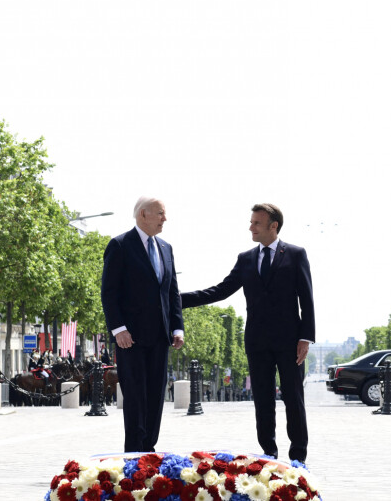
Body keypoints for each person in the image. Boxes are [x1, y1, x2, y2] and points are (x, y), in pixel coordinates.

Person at [181, 203, 315, 462]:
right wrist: (178, 299)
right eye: (251, 221)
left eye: (256, 222)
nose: (250, 227)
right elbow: (220, 290)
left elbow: (307, 299)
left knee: (293, 400)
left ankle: (298, 458)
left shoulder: (297, 254)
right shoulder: (246, 259)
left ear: (273, 226)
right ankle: (268, 455)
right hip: (257, 342)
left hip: (290, 342)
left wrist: (305, 338)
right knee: (263, 402)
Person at [101, 196, 184, 452]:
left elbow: (172, 292)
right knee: (136, 398)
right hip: (131, 339)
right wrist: (118, 329)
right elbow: (109, 291)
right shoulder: (120, 245)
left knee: (156, 399)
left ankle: (149, 450)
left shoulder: (166, 248)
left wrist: (177, 328)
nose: (164, 218)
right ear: (143, 215)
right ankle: (134, 455)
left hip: (160, 338)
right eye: (160, 213)